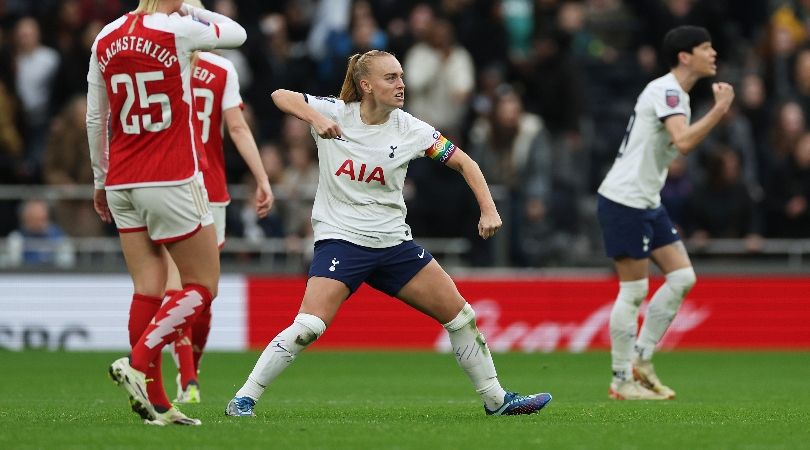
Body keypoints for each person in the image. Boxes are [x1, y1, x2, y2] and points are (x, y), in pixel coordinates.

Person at [225, 49, 552, 418]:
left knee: (462, 317)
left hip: (394, 244)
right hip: (342, 240)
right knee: (310, 326)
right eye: (391, 78)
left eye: (401, 76)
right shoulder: (335, 112)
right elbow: (279, 96)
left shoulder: (411, 129)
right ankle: (243, 398)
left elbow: (465, 161)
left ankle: (497, 400)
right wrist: (315, 118)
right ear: (366, 85)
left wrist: (489, 209)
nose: (401, 85)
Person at [86, 0, 247, 425]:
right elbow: (237, 33)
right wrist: (198, 11)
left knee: (148, 286)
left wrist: (101, 180)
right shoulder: (176, 30)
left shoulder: (105, 36)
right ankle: (138, 363)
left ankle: (156, 403)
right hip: (171, 177)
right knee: (202, 284)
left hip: (122, 179)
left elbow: (95, 118)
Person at [596, 26, 734, 400]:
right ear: (685, 56)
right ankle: (621, 379)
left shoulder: (676, 95)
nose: (713, 53)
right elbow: (684, 142)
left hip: (646, 201)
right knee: (634, 289)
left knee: (683, 277)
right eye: (706, 47)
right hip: (624, 199)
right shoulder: (668, 90)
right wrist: (719, 109)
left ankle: (641, 360)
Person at [169, 0, 274, 404]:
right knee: (202, 288)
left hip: (168, 182)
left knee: (176, 286)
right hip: (210, 190)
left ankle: (185, 375)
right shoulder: (222, 69)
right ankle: (190, 373)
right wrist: (261, 177)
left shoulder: (159, 64)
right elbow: (237, 127)